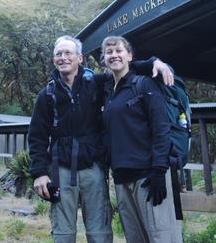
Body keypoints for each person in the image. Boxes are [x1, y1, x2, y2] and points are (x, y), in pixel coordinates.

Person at [28, 35, 173, 243]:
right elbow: (37, 136)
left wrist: (153, 62)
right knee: (62, 234)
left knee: (99, 233)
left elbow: (123, 68)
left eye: (68, 53)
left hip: (93, 167)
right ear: (53, 61)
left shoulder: (96, 83)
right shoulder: (47, 95)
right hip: (60, 168)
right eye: (58, 54)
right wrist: (40, 173)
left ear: (80, 58)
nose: (63, 58)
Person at [101, 35, 183, 243]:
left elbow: (161, 128)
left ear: (129, 55)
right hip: (121, 178)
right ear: (104, 58)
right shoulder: (108, 90)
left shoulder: (145, 84)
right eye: (109, 52)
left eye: (119, 50)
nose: (114, 55)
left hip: (149, 175)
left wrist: (159, 170)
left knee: (161, 237)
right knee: (135, 238)